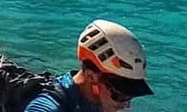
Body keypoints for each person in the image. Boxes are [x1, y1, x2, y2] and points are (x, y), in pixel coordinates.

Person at [23, 21, 154, 112]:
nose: (127, 104)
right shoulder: (47, 106)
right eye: (120, 95)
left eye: (131, 94)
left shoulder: (103, 103)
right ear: (91, 76)